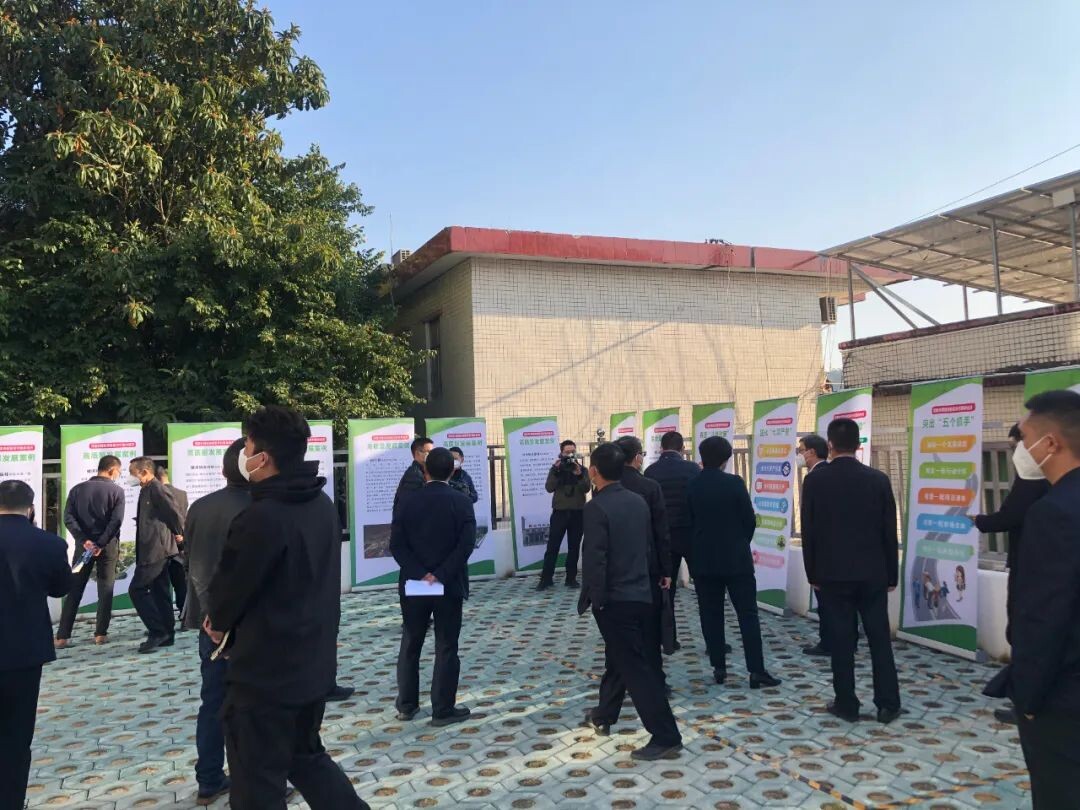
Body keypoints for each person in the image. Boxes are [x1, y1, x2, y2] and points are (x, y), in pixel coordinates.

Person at [205, 406, 367, 810]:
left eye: (247, 446)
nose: (244, 453)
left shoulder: (260, 518)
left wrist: (218, 623)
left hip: (264, 677)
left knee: (256, 785)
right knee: (307, 758)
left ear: (263, 457)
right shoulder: (321, 504)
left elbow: (226, 595)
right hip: (312, 665)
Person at [1001, 390, 1080, 808]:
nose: (1021, 449)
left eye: (1025, 438)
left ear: (1051, 443)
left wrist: (1028, 698)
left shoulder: (1054, 513)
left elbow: (1043, 617)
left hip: (1063, 698)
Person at [578, 442, 682, 761]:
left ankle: (665, 735)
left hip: (615, 599)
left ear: (594, 471)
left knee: (636, 669)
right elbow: (651, 543)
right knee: (625, 660)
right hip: (642, 593)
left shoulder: (596, 507)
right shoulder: (638, 500)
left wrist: (597, 599)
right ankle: (604, 714)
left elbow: (595, 558)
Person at [801, 418, 901, 724]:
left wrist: (812, 573)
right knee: (879, 639)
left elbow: (809, 531)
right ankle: (888, 704)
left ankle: (847, 703)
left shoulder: (815, 481)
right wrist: (891, 574)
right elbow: (888, 531)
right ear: (858, 445)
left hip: (832, 574)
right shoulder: (878, 479)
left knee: (842, 641)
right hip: (873, 573)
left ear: (830, 445)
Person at [182, 438, 250, 806]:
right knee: (253, 705)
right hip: (246, 623)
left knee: (213, 702)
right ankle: (253, 781)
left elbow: (190, 558)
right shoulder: (258, 508)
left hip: (208, 622)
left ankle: (209, 779)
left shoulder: (201, 506)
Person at [968, 422, 1050, 725]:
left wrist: (979, 520)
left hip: (1030, 565)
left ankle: (1026, 702)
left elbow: (1010, 516)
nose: (1016, 453)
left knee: (1024, 631)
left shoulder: (1033, 481)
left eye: (1018, 445)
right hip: (1041, 564)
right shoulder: (1056, 479)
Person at [686, 436, 782, 689]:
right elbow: (749, 520)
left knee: (710, 613)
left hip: (704, 560)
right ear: (726, 459)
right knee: (747, 614)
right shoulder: (734, 483)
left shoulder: (692, 484)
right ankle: (756, 670)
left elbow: (689, 521)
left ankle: (719, 667)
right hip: (736, 559)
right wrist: (739, 542)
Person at [390, 447, 477, 726]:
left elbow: (396, 545)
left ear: (425, 471)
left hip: (414, 583)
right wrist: (439, 575)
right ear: (452, 470)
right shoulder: (461, 501)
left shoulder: (407, 501)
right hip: (448, 584)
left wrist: (422, 574)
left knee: (411, 642)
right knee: (446, 645)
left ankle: (407, 705)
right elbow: (466, 545)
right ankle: (442, 709)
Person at [0, 480, 72, 810]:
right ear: (30, 508)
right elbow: (60, 588)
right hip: (24, 652)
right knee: (16, 737)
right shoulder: (49, 544)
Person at [613, 435, 674, 693]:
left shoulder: (607, 487)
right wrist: (666, 569)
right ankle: (655, 681)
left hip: (616, 570)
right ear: (637, 457)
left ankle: (622, 682)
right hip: (647, 567)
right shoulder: (649, 487)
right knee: (650, 629)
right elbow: (661, 531)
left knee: (620, 631)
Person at [55, 454, 125, 647]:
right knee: (106, 588)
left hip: (83, 548)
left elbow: (68, 518)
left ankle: (62, 636)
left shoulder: (77, 490)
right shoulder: (117, 491)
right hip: (107, 547)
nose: (118, 475)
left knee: (74, 588)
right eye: (119, 471)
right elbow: (116, 521)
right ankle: (100, 634)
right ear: (112, 470)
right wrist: (100, 543)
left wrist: (84, 540)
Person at [798, 433, 858, 658]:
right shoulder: (839, 474)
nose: (800, 455)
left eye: (801, 450)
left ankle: (829, 643)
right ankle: (849, 640)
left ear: (812, 452)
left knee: (827, 601)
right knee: (846, 602)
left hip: (824, 551)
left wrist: (810, 562)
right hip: (847, 548)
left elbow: (809, 522)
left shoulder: (815, 478)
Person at [643, 430, 700, 649]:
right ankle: (714, 641)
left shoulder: (651, 471)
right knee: (704, 590)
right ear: (682, 449)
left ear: (661, 448)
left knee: (667, 590)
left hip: (663, 537)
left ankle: (669, 639)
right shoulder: (692, 469)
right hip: (690, 534)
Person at [128, 455, 184, 653]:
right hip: (152, 547)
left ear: (144, 472)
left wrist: (181, 533)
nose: (130, 477)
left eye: (132, 473)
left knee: (137, 589)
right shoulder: (146, 489)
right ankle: (167, 633)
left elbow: (173, 512)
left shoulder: (157, 488)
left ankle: (157, 631)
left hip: (157, 549)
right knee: (160, 591)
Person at [537, 439, 591, 590]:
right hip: (559, 513)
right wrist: (556, 471)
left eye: (572, 452)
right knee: (552, 547)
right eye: (567, 452)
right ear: (561, 453)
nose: (570, 455)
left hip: (577, 513)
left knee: (574, 547)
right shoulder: (556, 469)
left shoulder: (582, 469)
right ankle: (546, 579)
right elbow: (549, 487)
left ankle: (571, 578)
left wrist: (578, 475)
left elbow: (587, 488)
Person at [156, 466, 190, 621]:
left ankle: (166, 618)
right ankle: (184, 615)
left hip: (162, 545)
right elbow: (183, 518)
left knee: (162, 586)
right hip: (179, 544)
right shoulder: (182, 494)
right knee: (180, 584)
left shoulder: (156, 494)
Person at [395, 437, 433, 512]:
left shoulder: (421, 471)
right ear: (418, 453)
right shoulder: (414, 474)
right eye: (429, 452)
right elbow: (411, 504)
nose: (433, 455)